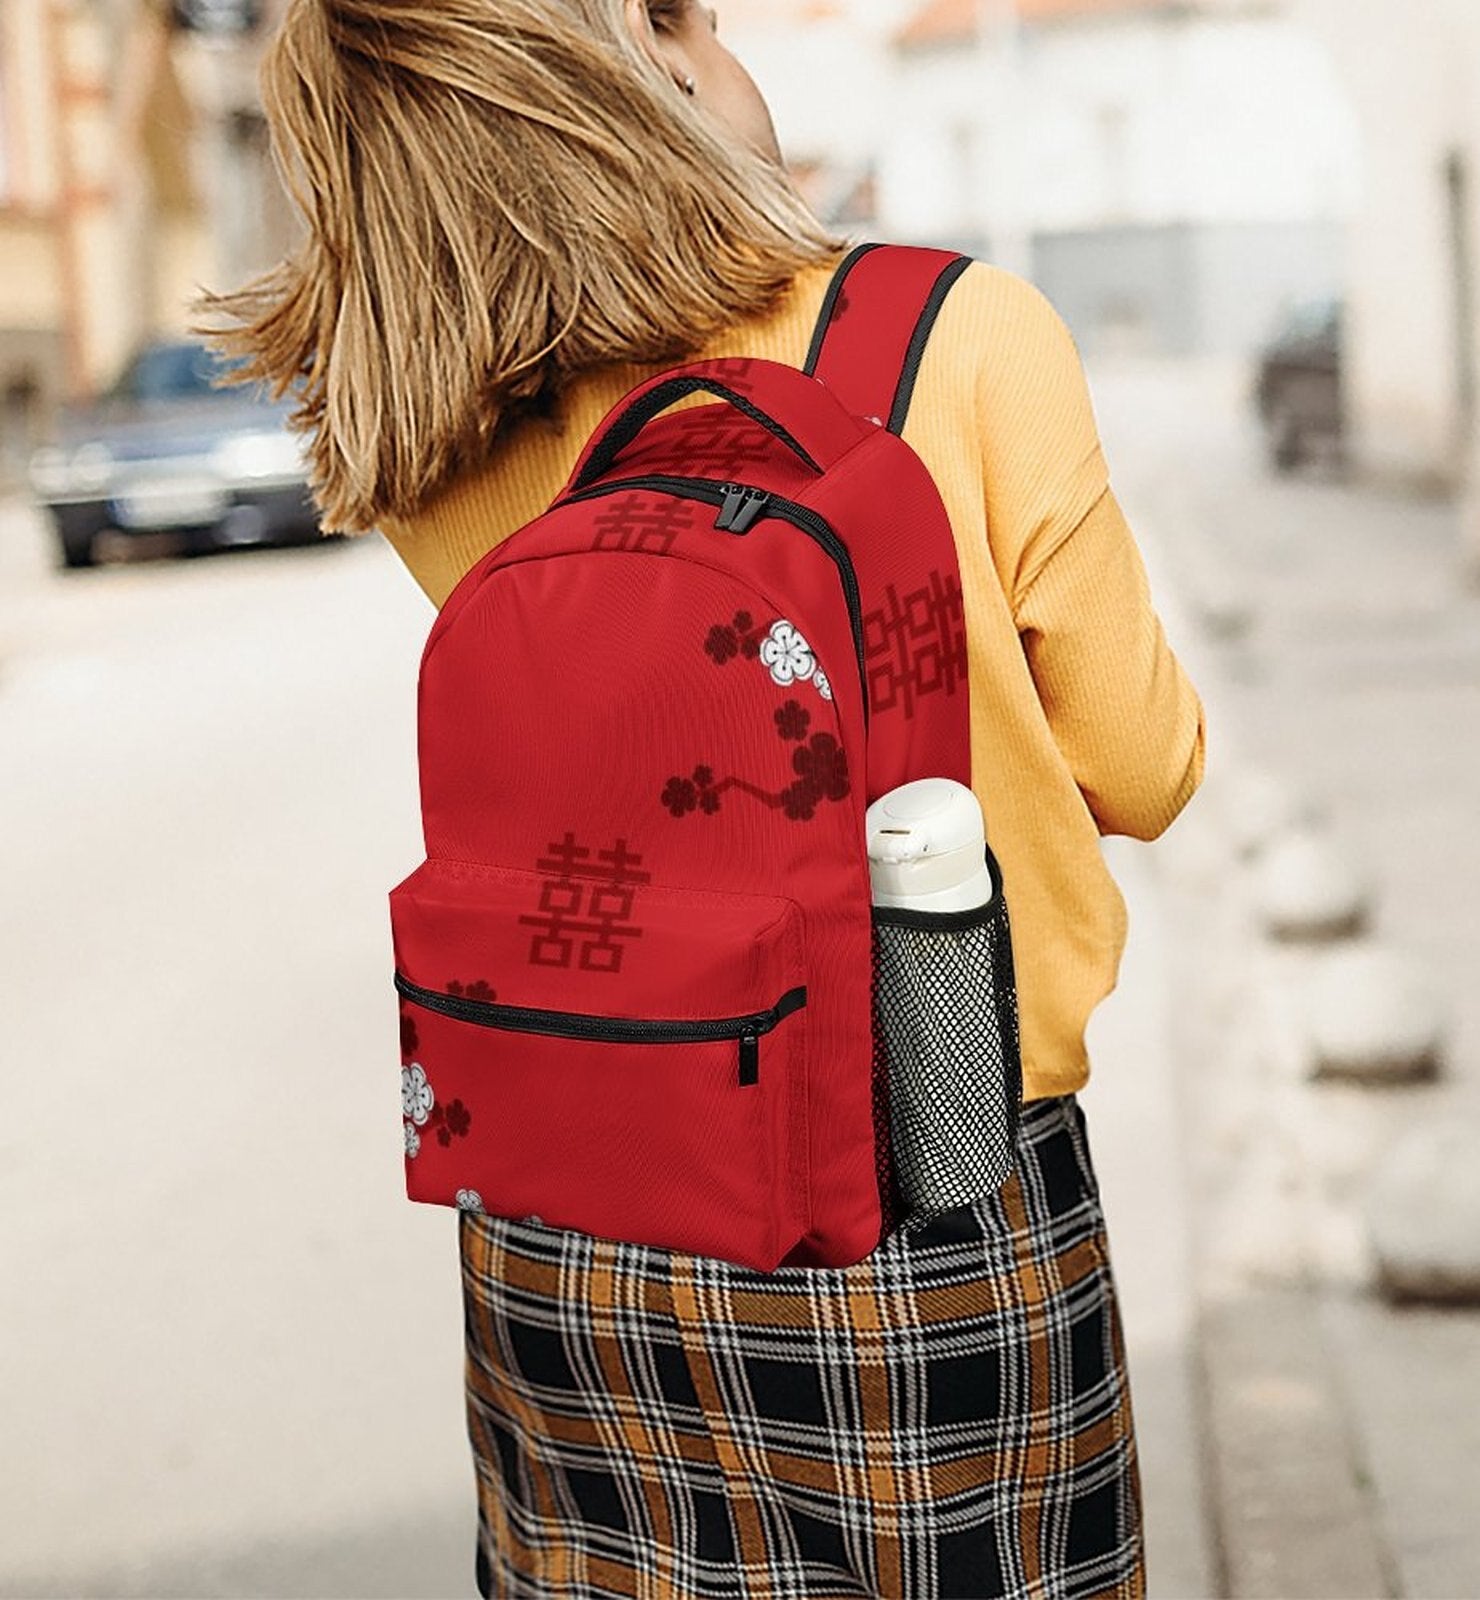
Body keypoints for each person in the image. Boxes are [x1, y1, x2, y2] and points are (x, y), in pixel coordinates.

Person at [195, 1, 1206, 1594]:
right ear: (643, 64)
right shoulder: (954, 336)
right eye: (687, 16)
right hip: (924, 1185)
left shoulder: (438, 424)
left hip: (562, 1235)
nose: (728, 47)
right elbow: (1144, 764)